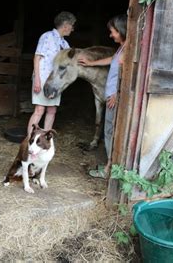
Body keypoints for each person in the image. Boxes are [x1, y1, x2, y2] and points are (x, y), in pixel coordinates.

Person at [77, 14, 127, 179]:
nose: (111, 35)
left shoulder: (128, 50)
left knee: (110, 132)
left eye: (113, 31)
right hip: (112, 96)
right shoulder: (122, 47)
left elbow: (128, 76)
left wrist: (118, 94)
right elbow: (112, 60)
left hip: (114, 98)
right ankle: (109, 165)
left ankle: (109, 169)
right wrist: (91, 64)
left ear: (121, 31)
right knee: (110, 131)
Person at [27, 11, 77, 136]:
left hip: (55, 82)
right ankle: (29, 140)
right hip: (43, 78)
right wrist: (37, 80)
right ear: (66, 25)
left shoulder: (65, 44)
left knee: (52, 110)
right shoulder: (47, 36)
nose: (73, 28)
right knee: (39, 109)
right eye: (72, 25)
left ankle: (45, 139)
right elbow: (37, 58)